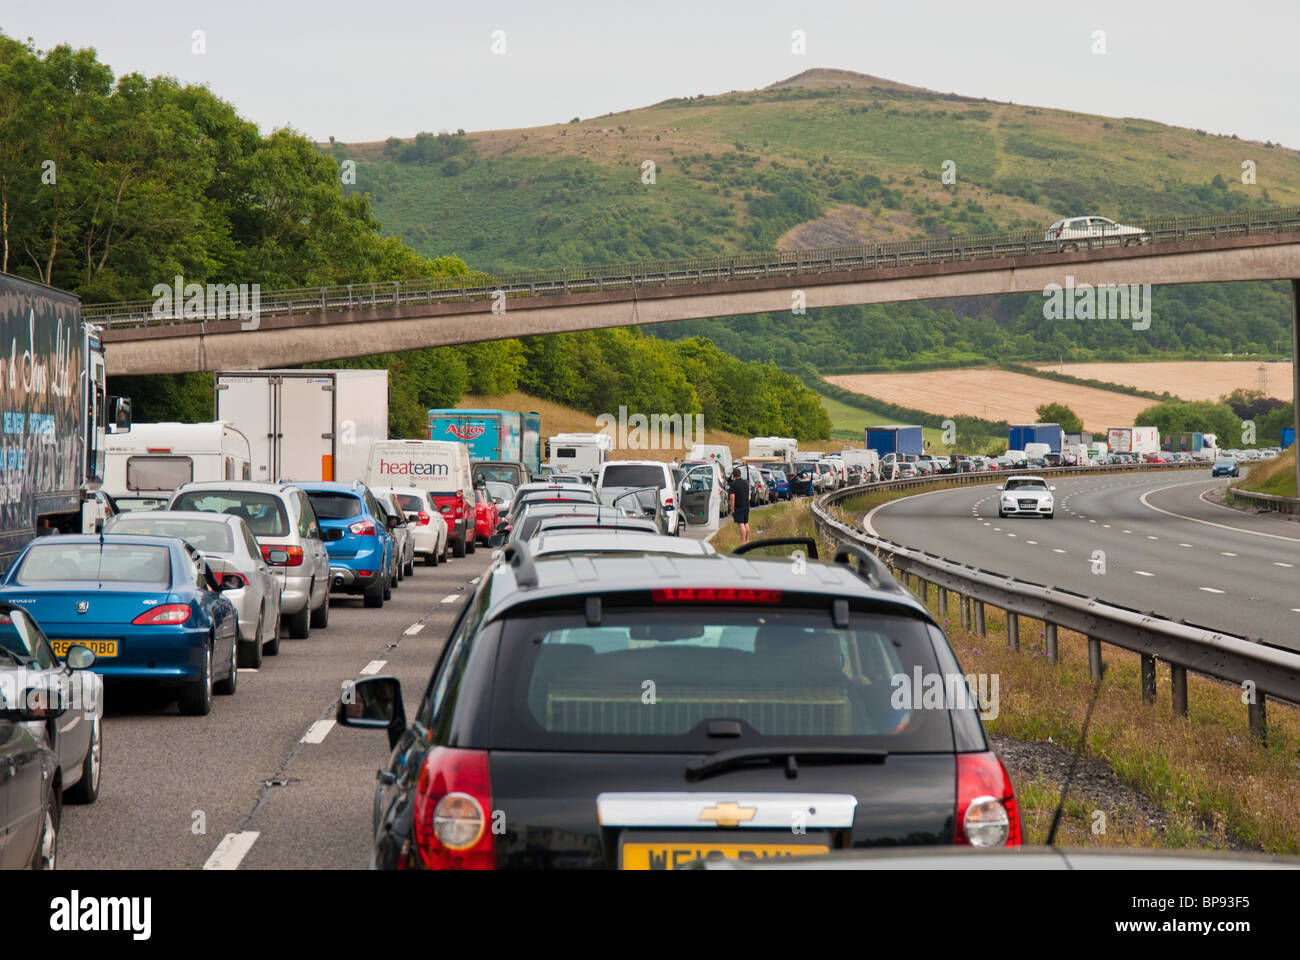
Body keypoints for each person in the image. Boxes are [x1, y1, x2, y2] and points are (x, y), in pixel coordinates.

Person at [728, 466, 750, 544]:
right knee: (746, 523)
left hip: (738, 506)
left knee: (741, 524)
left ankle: (743, 542)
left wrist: (732, 508)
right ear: (740, 474)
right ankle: (747, 540)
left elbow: (732, 497)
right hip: (746, 505)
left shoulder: (733, 485)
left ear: (733, 475)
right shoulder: (746, 483)